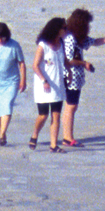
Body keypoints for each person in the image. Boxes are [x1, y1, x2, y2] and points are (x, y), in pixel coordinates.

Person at [58, 6, 105, 148]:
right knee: (71, 106)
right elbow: (69, 60)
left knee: (70, 106)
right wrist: (84, 63)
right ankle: (68, 137)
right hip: (71, 76)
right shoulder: (70, 39)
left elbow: (93, 42)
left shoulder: (76, 36)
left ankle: (67, 136)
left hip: (75, 77)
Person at [29, 16, 67, 152]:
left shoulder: (61, 43)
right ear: (56, 29)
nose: (66, 30)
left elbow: (65, 61)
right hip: (44, 86)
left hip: (58, 85)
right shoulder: (43, 45)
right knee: (43, 115)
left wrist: (69, 72)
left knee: (56, 115)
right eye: (64, 28)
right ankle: (34, 135)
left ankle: (53, 145)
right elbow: (35, 65)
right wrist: (43, 80)